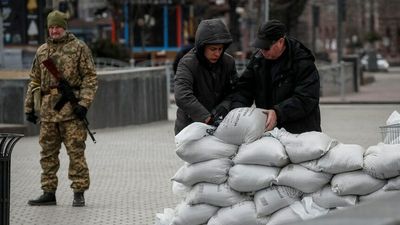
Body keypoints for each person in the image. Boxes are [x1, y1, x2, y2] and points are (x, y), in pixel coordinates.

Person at [24, 10, 98, 207]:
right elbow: (34, 81)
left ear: (65, 27)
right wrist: (29, 107)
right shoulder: (42, 51)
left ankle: (79, 192)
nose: (54, 30)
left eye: (58, 26)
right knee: (47, 154)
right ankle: (48, 192)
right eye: (51, 27)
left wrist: (83, 103)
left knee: (76, 153)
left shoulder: (79, 48)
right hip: (48, 112)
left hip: (71, 112)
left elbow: (90, 78)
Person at [231, 19, 321, 134]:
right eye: (260, 47)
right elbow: (244, 90)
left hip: (300, 132)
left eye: (266, 47)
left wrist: (278, 112)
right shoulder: (258, 60)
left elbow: (306, 98)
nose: (263, 51)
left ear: (280, 42)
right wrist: (236, 112)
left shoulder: (302, 61)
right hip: (269, 130)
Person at [174, 18, 238, 134]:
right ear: (202, 47)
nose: (217, 53)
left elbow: (234, 91)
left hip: (221, 125)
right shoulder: (187, 63)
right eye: (213, 49)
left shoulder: (228, 62)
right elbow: (182, 95)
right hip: (190, 127)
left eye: (220, 49)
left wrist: (224, 107)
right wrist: (205, 117)